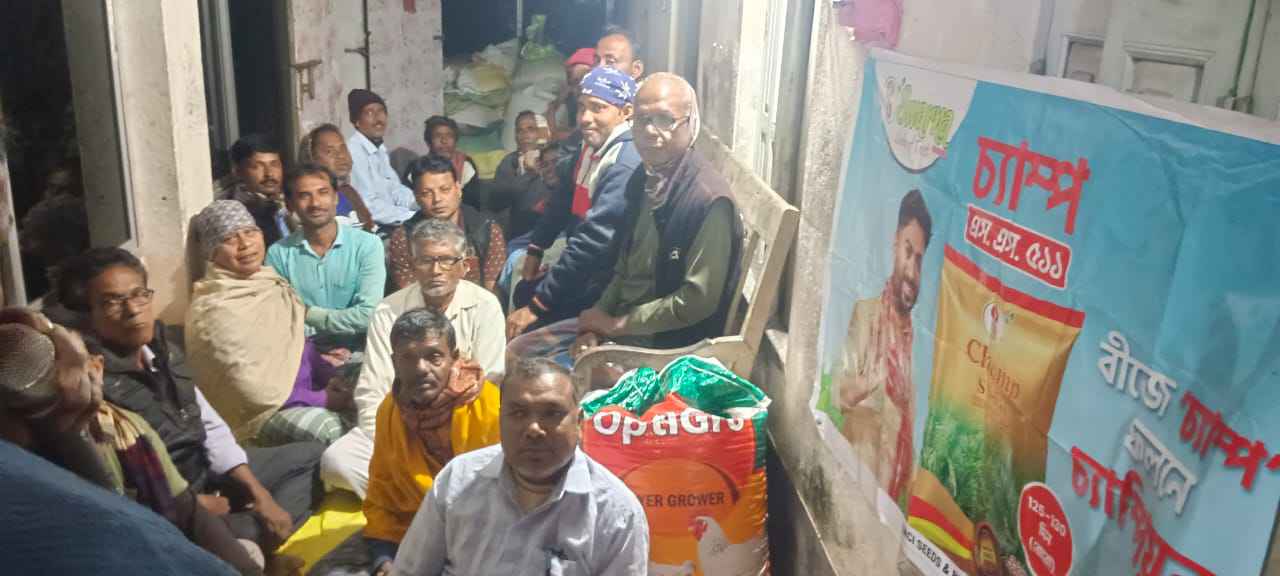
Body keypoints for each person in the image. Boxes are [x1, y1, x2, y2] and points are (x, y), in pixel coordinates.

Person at [52, 247, 323, 558]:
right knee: (249, 535)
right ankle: (247, 541)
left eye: (139, 294)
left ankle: (256, 532)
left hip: (204, 472)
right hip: (171, 507)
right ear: (86, 318)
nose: (133, 310)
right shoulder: (91, 390)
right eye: (112, 302)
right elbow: (115, 492)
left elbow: (210, 425)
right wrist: (198, 506)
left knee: (311, 457)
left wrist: (258, 492)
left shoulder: (163, 351)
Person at [0, 307, 263, 574]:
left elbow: (188, 511)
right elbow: (112, 530)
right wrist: (66, 433)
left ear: (97, 368)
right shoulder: (27, 469)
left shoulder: (129, 429)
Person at [392, 357, 649, 575]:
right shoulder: (458, 481)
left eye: (552, 413)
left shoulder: (616, 513)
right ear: (500, 420)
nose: (533, 429)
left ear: (579, 423)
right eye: (518, 413)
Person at [321, 220, 505, 497]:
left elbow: (489, 382)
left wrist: (444, 436)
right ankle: (438, 502)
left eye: (446, 260)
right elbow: (374, 389)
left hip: (464, 430)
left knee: (494, 459)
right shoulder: (388, 310)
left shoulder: (485, 305)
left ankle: (418, 498)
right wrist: (393, 443)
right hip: (402, 427)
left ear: (464, 265)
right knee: (337, 462)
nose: (435, 270)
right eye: (425, 261)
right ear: (412, 265)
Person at [569, 74, 742, 360]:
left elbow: (697, 301)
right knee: (521, 352)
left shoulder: (707, 201)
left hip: (667, 349)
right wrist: (598, 321)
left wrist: (616, 326)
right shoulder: (645, 178)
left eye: (665, 119)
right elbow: (625, 266)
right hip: (622, 328)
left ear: (691, 124)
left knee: (548, 375)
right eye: (642, 119)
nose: (650, 131)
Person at [187, 200, 346, 444]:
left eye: (250, 232)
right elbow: (248, 391)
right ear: (213, 253)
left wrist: (332, 377)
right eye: (229, 239)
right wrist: (322, 399)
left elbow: (299, 346)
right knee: (330, 429)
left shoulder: (269, 284)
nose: (245, 244)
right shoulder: (214, 308)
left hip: (307, 394)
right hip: (263, 415)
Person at [505, 66, 642, 339]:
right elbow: (563, 197)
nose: (585, 118)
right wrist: (536, 248)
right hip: (585, 269)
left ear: (626, 112)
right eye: (581, 107)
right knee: (523, 289)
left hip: (607, 282)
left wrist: (538, 305)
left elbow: (593, 241)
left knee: (529, 316)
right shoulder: (591, 145)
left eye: (598, 108)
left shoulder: (623, 162)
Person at [363, 308, 502, 575]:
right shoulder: (389, 412)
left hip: (486, 542)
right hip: (413, 538)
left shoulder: (492, 408)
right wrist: (384, 559)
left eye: (434, 357)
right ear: (394, 363)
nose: (421, 369)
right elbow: (382, 498)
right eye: (408, 358)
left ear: (454, 358)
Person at [831, 189, 932, 504]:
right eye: (907, 251)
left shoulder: (914, 342)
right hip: (854, 493)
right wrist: (869, 383)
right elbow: (838, 395)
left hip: (891, 501)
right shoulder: (867, 314)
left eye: (919, 259)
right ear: (894, 245)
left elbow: (909, 429)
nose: (912, 270)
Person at [267, 164, 387, 348]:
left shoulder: (367, 245)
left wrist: (308, 314)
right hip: (302, 353)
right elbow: (280, 318)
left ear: (336, 197)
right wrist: (316, 353)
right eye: (304, 195)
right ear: (290, 205)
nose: (315, 203)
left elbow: (368, 315)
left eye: (323, 192)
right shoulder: (278, 253)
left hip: (361, 351)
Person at [386, 155, 506, 293]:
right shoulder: (404, 237)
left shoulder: (486, 229)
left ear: (458, 189)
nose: (437, 199)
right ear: (416, 197)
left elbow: (491, 291)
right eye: (426, 193)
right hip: (422, 304)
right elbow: (408, 293)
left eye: (445, 190)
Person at [346, 89, 418, 228]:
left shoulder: (379, 149)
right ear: (357, 121)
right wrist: (411, 216)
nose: (378, 119)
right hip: (373, 229)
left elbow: (395, 189)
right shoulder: (354, 152)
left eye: (381, 111)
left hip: (394, 221)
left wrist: (420, 204)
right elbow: (369, 206)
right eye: (369, 113)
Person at [298, 123, 376, 231]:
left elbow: (369, 230)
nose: (341, 156)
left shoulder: (348, 192)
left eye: (343, 148)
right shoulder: (315, 201)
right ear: (312, 159)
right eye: (329, 151)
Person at [491, 111, 554, 241]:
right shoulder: (509, 161)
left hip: (547, 232)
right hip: (515, 234)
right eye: (520, 130)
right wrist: (528, 174)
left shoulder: (554, 160)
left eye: (531, 129)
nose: (525, 135)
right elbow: (496, 202)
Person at [220, 134, 292, 247]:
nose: (269, 174)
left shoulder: (293, 200)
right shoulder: (231, 211)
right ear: (237, 171)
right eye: (257, 166)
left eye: (274, 165)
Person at [545, 48, 595, 145]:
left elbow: (558, 136)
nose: (579, 88)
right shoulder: (571, 90)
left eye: (584, 80)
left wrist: (553, 127)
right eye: (575, 82)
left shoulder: (595, 108)